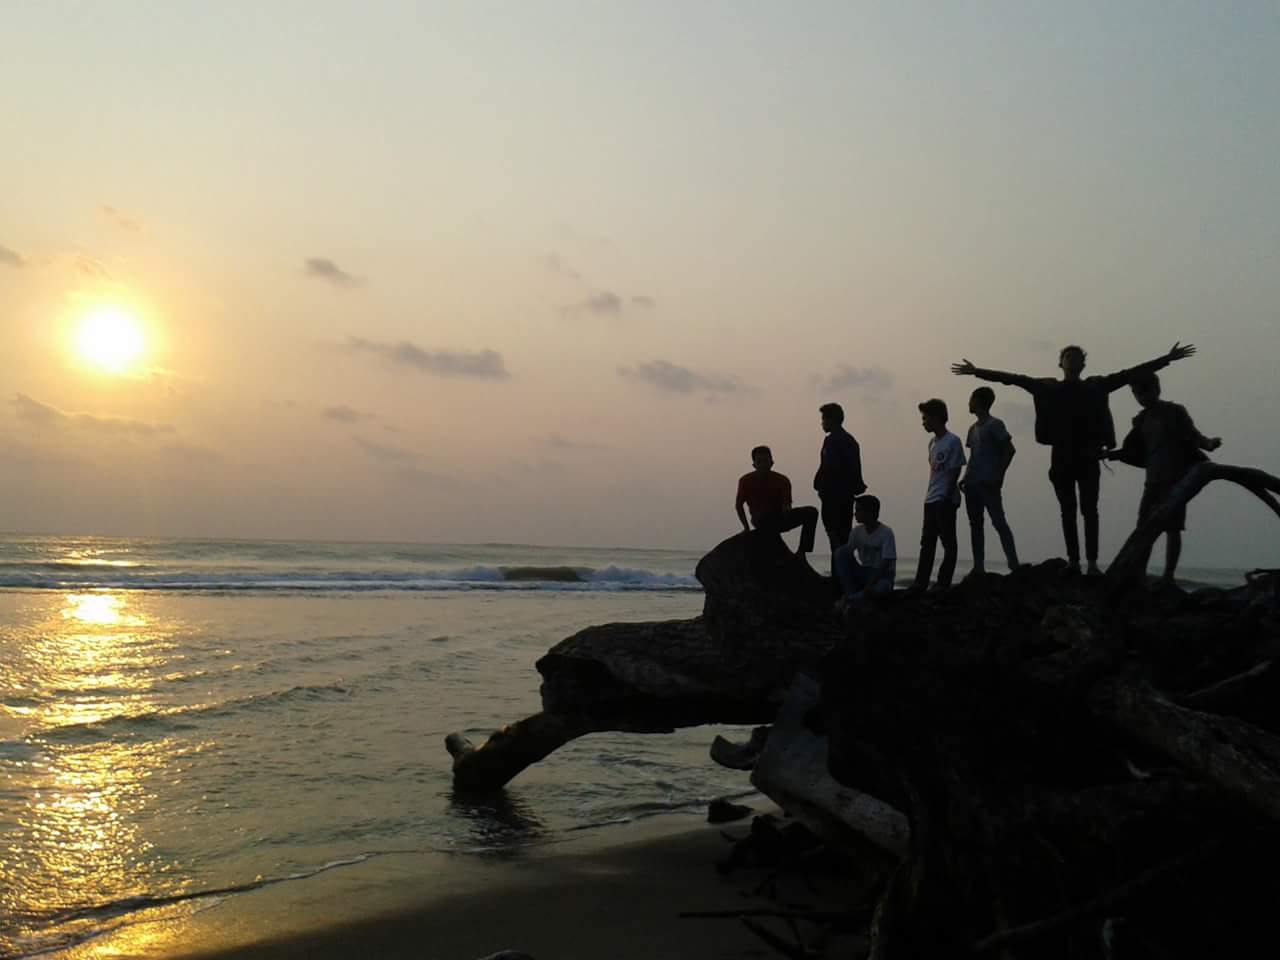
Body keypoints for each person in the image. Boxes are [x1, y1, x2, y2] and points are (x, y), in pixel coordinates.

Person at [951, 342, 1197, 575]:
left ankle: (1091, 563)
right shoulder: (1049, 387)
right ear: (1061, 363)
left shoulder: (1096, 385)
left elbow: (1130, 373)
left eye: (1076, 356)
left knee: (1090, 510)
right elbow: (1013, 379)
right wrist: (977, 372)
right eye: (1067, 356)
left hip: (1089, 455)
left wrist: (1167, 359)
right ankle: (1074, 562)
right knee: (1067, 510)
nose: (1072, 359)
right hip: (1061, 457)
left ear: (1083, 364)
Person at [1103, 372, 1222, 586]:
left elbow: (1194, 436)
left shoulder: (1175, 412)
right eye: (1136, 393)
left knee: (1173, 528)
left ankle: (1168, 576)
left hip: (1176, 479)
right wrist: (1110, 455)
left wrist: (1209, 443)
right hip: (1153, 480)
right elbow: (1132, 450)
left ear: (1156, 389)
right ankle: (1139, 572)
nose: (1141, 397)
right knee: (1144, 528)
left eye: (1144, 391)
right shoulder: (1140, 420)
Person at [961, 387, 1021, 574]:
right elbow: (973, 455)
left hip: (988, 483)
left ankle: (1014, 564)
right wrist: (965, 477)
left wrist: (998, 476)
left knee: (999, 522)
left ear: (978, 400)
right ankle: (978, 566)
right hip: (972, 484)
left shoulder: (995, 424)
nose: (969, 402)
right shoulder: (972, 429)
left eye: (971, 398)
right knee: (975, 525)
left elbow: (1009, 450)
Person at [913, 398, 965, 591]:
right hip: (931, 498)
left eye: (926, 418)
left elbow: (954, 470)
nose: (923, 422)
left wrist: (946, 495)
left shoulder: (953, 441)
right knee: (927, 543)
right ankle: (921, 582)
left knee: (948, 542)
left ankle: (943, 582)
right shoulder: (932, 443)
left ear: (936, 418)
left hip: (946, 499)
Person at [735, 445, 820, 555]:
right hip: (761, 520)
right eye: (759, 461)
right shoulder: (745, 481)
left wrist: (787, 512)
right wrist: (746, 527)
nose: (762, 465)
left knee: (811, 512)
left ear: (771, 463)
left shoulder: (782, 480)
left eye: (765, 461)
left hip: (779, 517)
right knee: (764, 518)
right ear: (754, 465)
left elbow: (787, 505)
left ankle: (802, 552)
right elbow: (739, 505)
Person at [813, 403, 866, 554]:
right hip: (836, 493)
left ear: (832, 420)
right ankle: (840, 572)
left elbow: (834, 468)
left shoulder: (841, 441)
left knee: (837, 535)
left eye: (824, 419)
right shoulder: (838, 440)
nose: (822, 422)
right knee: (838, 535)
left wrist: (823, 486)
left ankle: (841, 573)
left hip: (837, 495)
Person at [833, 495, 896, 607]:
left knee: (882, 587)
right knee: (840, 552)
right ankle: (850, 594)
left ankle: (851, 600)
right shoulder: (857, 531)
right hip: (863, 572)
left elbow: (887, 563)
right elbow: (846, 553)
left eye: (858, 510)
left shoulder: (886, 532)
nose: (855, 513)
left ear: (869, 512)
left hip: (882, 576)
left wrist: (871, 585)